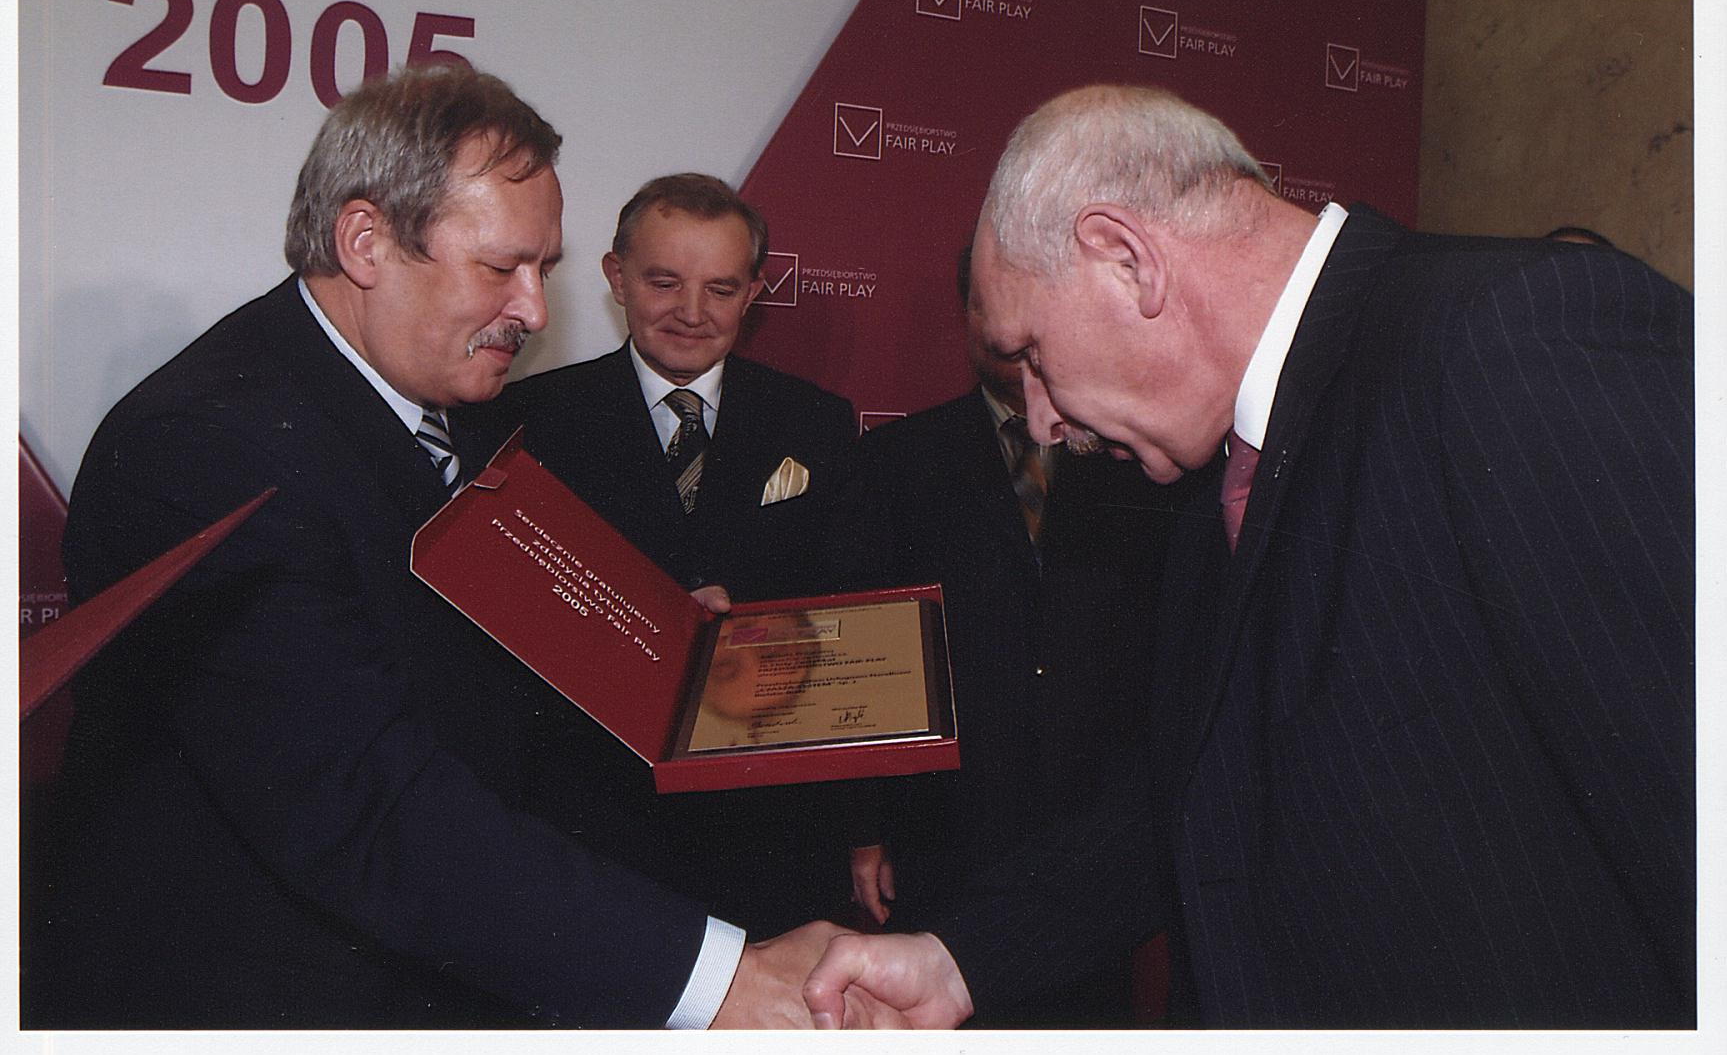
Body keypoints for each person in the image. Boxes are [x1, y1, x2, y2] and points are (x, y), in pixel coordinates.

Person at [803, 83, 1695, 1029]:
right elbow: (1197, 796)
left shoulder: (1515, 335)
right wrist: (957, 963)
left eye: (1030, 355)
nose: (1040, 420)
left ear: (1125, 259)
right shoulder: (1209, 474)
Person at [31, 65, 867, 1029]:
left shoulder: (459, 413)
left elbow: (476, 663)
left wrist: (660, 642)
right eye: (500, 268)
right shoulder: (203, 449)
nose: (535, 312)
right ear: (364, 241)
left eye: (543, 269)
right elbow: (366, 806)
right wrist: (719, 982)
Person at [825, 243, 1195, 1025]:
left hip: (1096, 822)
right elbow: (860, 652)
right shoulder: (895, 461)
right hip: (945, 819)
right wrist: (866, 830)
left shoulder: (1137, 456)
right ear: (969, 312)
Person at [485, 172, 856, 935]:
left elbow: (845, 611)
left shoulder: (817, 422)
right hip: (592, 826)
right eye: (663, 282)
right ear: (615, 277)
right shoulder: (528, 420)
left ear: (753, 294)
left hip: (768, 831)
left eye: (721, 289)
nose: (691, 312)